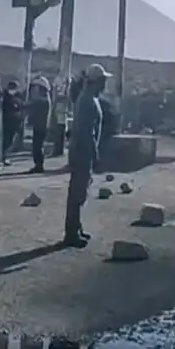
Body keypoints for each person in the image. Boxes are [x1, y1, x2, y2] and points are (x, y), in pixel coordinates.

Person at [64, 63, 110, 247]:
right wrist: (95, 155)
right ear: (96, 82)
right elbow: (87, 133)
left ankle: (76, 227)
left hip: (81, 151)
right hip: (82, 152)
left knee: (80, 191)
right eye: (103, 80)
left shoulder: (88, 98)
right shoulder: (88, 101)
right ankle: (71, 233)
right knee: (77, 193)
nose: (105, 84)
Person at [26, 76, 52, 173]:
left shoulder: (43, 100)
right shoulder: (43, 99)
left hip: (40, 126)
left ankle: (39, 166)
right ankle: (38, 165)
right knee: (37, 146)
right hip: (40, 125)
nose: (34, 89)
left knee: (37, 147)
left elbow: (31, 105)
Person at [0, 80, 24, 166]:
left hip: (14, 124)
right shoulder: (4, 97)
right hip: (6, 123)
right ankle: (2, 157)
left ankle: (4, 156)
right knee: (5, 141)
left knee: (9, 141)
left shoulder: (17, 97)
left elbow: (20, 106)